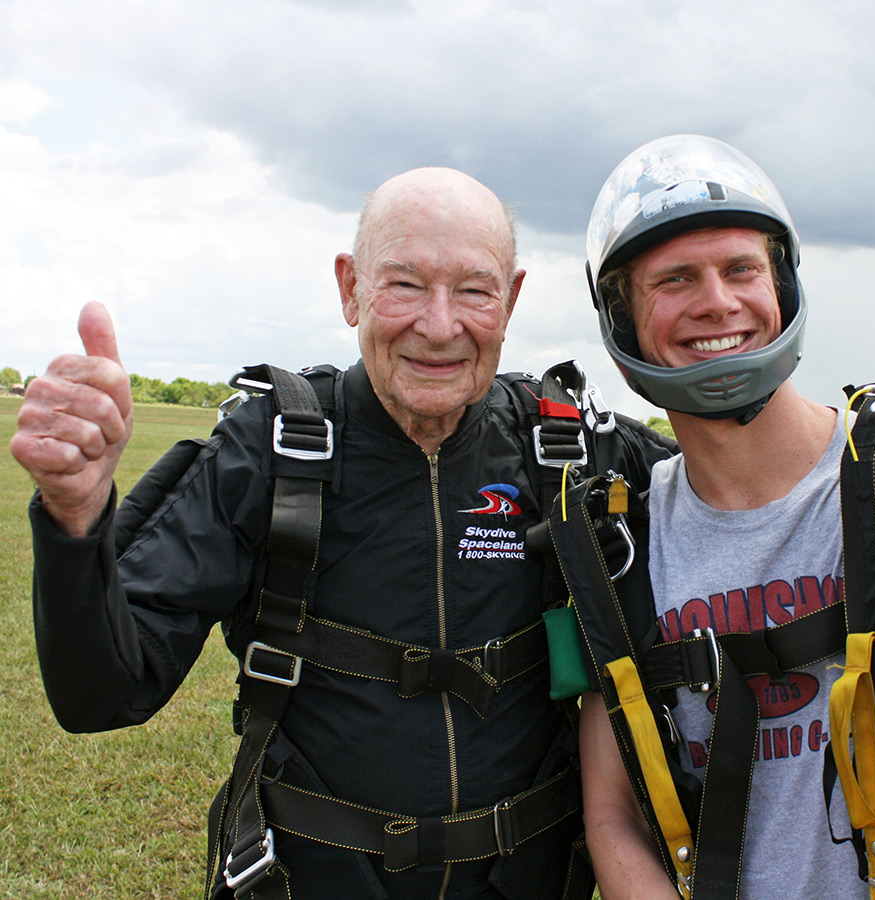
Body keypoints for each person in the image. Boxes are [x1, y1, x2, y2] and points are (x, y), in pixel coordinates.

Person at [11, 166, 676, 900]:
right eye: (403, 284)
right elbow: (101, 696)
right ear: (349, 288)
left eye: (473, 289)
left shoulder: (567, 451)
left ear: (511, 299)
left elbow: (742, 496)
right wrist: (76, 519)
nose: (438, 323)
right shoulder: (269, 452)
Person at [576, 135, 875, 900]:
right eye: (674, 279)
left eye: (740, 269)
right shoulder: (618, 545)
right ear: (623, 318)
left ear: (782, 287)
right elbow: (612, 813)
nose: (717, 302)